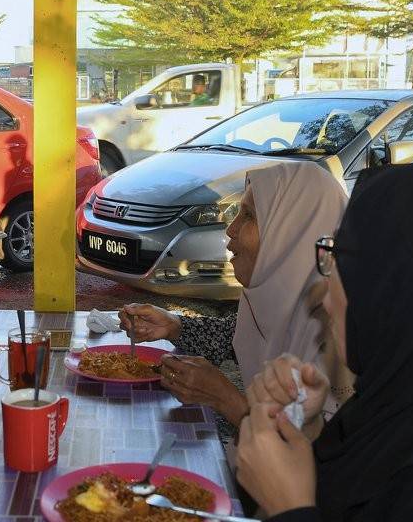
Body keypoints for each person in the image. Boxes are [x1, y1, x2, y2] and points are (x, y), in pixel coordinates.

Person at [236, 162, 413, 522]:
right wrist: (301, 426)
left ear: (397, 290)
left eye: (343, 267)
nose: (326, 299)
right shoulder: (387, 404)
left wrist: (289, 510)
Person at [120, 162, 351, 428]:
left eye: (249, 216)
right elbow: (232, 334)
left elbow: (316, 461)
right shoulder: (282, 297)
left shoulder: (341, 334)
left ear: (291, 231)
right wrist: (174, 325)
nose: (231, 230)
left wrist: (229, 402)